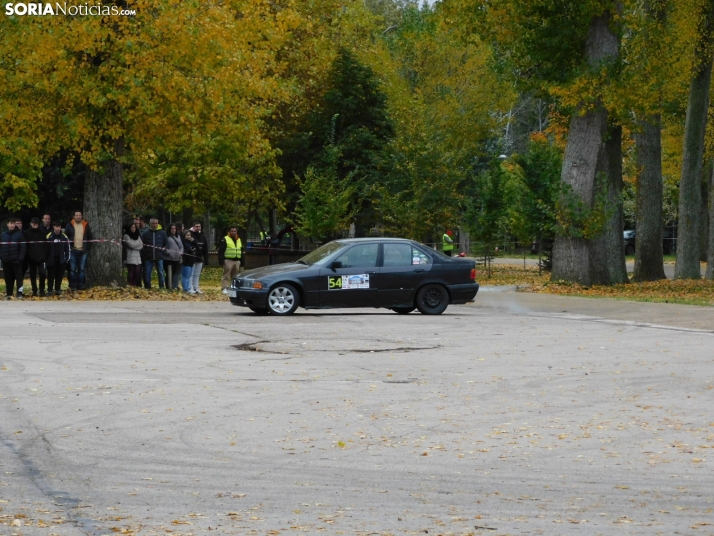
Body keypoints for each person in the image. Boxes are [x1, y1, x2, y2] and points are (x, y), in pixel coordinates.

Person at [65, 210, 93, 291]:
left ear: (82, 216)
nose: (78, 217)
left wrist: (87, 248)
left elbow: (89, 237)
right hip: (73, 250)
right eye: (77, 215)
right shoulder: (69, 225)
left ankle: (81, 285)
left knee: (81, 269)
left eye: (80, 215)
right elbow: (65, 237)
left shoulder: (85, 225)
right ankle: (73, 285)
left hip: (83, 251)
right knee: (72, 269)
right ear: (74, 216)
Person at [1, 218, 26, 299]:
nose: (12, 225)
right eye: (10, 223)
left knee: (19, 278)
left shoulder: (19, 234)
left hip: (16, 260)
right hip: (6, 260)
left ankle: (19, 293)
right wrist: (2, 257)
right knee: (8, 278)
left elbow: (23, 247)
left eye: (13, 223)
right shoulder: (3, 235)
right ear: (7, 224)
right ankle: (9, 293)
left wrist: (20, 258)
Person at [24, 217, 48, 297]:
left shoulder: (42, 233)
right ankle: (34, 290)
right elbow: (26, 246)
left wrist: (44, 255)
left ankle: (42, 290)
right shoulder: (27, 233)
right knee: (32, 274)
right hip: (31, 258)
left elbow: (45, 245)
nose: (35, 225)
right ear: (31, 224)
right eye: (33, 223)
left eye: (36, 224)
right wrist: (28, 255)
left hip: (41, 258)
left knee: (42, 273)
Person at [141, 218, 167, 289]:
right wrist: (145, 252)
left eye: (156, 223)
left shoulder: (162, 233)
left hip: (159, 256)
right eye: (153, 223)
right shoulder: (145, 234)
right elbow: (142, 244)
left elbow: (166, 244)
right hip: (148, 256)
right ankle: (147, 286)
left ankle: (161, 286)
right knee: (147, 272)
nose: (155, 225)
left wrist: (163, 250)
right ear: (150, 224)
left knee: (161, 272)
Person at [46, 221, 70, 296]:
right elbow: (45, 249)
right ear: (53, 227)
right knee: (51, 276)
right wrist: (46, 259)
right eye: (56, 226)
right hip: (51, 260)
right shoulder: (49, 236)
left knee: (59, 276)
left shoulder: (64, 237)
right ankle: (50, 290)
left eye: (59, 227)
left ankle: (58, 289)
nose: (57, 228)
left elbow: (67, 248)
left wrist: (66, 259)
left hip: (61, 260)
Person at [218, 226, 242, 293]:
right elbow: (221, 251)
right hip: (228, 259)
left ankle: (233, 287)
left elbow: (241, 250)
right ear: (229, 232)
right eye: (232, 231)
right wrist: (221, 260)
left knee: (235, 275)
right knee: (226, 274)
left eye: (235, 231)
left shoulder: (238, 239)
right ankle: (225, 287)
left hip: (237, 260)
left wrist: (242, 261)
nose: (234, 232)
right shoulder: (225, 239)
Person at [189, 220, 208, 294]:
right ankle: (190, 287)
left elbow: (205, 248)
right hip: (192, 257)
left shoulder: (202, 235)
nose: (198, 228)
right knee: (191, 274)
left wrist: (206, 259)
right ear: (193, 227)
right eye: (196, 226)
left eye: (199, 226)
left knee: (197, 274)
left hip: (199, 258)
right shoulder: (190, 234)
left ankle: (196, 287)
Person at [164, 223, 183, 290]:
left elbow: (181, 246)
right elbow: (163, 247)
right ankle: (168, 287)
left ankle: (172, 286)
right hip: (168, 258)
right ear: (169, 229)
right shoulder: (166, 237)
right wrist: (168, 252)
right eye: (172, 228)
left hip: (176, 258)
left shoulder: (178, 237)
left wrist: (180, 252)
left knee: (174, 273)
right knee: (169, 273)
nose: (173, 230)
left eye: (174, 228)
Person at [123, 223, 143, 287]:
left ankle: (134, 284)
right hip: (130, 256)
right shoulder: (126, 236)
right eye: (132, 227)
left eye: (134, 227)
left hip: (137, 257)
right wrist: (137, 245)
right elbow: (131, 245)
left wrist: (135, 246)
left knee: (137, 272)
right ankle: (130, 284)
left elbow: (141, 245)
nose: (133, 229)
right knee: (131, 272)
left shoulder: (138, 236)